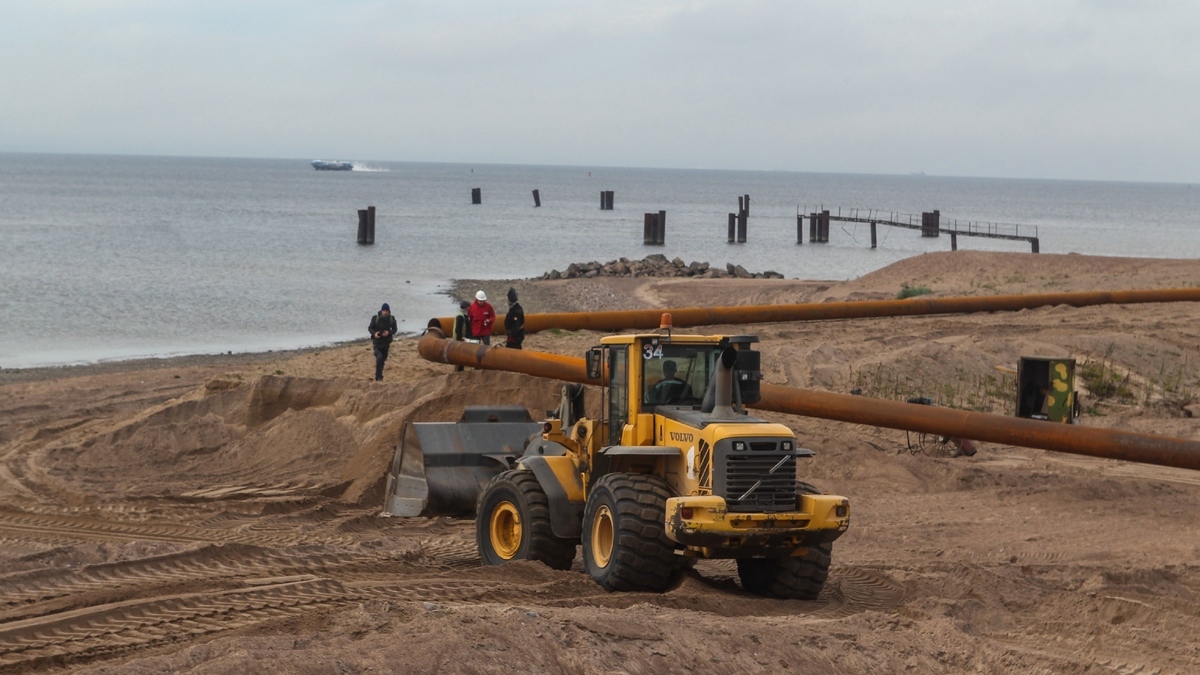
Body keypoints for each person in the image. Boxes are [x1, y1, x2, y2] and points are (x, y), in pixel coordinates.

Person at [368, 303, 398, 381]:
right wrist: (375, 333)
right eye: (384, 310)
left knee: (382, 360)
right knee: (379, 358)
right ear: (381, 311)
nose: (385, 312)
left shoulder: (391, 319)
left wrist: (389, 332)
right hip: (377, 343)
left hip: (386, 344)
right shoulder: (375, 318)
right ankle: (379, 377)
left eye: (386, 311)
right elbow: (370, 328)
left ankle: (379, 375)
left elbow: (395, 329)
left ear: (389, 311)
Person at [452, 300, 472, 372]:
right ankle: (458, 369)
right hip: (461, 338)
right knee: (459, 354)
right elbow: (458, 329)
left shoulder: (462, 314)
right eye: (469, 307)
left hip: (463, 338)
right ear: (466, 307)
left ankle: (460, 368)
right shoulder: (460, 316)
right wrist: (460, 338)